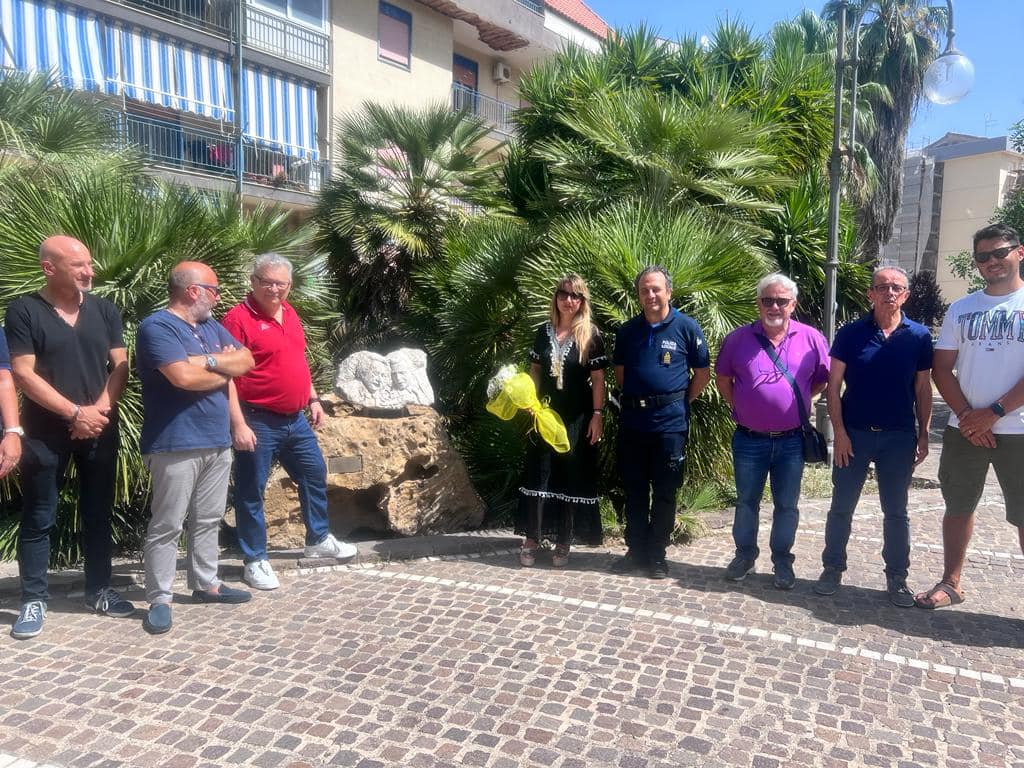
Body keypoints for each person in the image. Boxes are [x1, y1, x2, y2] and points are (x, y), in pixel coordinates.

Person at [6, 236, 132, 640]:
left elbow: (120, 364)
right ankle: (33, 599)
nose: (89, 272)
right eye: (79, 266)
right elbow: (23, 373)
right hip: (45, 433)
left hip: (99, 425)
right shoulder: (24, 310)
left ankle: (99, 590)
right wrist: (75, 413)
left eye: (89, 264)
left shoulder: (104, 310)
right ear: (50, 268)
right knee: (39, 515)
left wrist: (97, 411)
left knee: (98, 512)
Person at [222, 254, 357, 591]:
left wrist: (313, 398)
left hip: (295, 420)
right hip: (257, 419)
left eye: (280, 283)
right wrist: (238, 423)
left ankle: (318, 539)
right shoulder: (237, 319)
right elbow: (226, 376)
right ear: (253, 281)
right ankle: (255, 559)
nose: (274, 289)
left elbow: (298, 359)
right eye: (266, 282)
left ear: (289, 285)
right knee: (251, 490)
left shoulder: (291, 313)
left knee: (314, 473)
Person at [136, 262, 255, 634]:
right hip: (175, 442)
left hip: (217, 440)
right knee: (168, 524)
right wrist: (224, 368)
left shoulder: (210, 327)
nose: (218, 298)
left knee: (208, 518)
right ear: (193, 291)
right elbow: (183, 378)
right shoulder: (157, 327)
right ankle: (160, 598)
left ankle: (206, 584)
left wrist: (209, 362)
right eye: (214, 291)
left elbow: (246, 360)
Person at [915, 223, 1024, 610]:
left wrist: (993, 413)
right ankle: (952, 582)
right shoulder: (961, 309)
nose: (992, 261)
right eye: (983, 256)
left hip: (1018, 430)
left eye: (1000, 252)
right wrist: (966, 416)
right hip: (965, 430)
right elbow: (942, 368)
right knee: (958, 506)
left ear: (1020, 252)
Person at [813, 266, 932, 607]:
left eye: (896, 287)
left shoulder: (919, 336)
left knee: (896, 512)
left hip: (898, 438)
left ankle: (897, 577)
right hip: (855, 436)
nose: (889, 292)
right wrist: (839, 432)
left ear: (905, 295)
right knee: (841, 507)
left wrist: (923, 434)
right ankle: (832, 568)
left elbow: (923, 388)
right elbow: (833, 387)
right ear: (871, 294)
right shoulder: (850, 334)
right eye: (882, 287)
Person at [715, 274, 830, 590]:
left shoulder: (811, 338)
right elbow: (723, 379)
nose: (774, 306)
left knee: (787, 505)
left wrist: (797, 399)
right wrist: (741, 405)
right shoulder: (738, 339)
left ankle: (782, 562)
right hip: (749, 439)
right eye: (768, 300)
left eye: (781, 301)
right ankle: (744, 556)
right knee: (746, 502)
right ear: (759, 303)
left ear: (793, 304)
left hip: (792, 441)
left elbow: (822, 379)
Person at [611, 266, 710, 579]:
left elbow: (702, 374)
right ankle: (636, 550)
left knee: (666, 491)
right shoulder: (628, 331)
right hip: (633, 423)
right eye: (644, 290)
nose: (650, 295)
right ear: (638, 295)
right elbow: (621, 374)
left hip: (670, 426)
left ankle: (657, 554)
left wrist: (677, 402)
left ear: (669, 292)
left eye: (656, 289)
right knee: (635, 490)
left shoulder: (687, 327)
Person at [516, 275, 607, 568]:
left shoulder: (591, 335)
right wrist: (530, 402)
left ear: (582, 301)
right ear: (556, 297)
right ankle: (532, 537)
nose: (569, 300)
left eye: (575, 296)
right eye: (564, 294)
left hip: (576, 417)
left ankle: (563, 540)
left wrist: (597, 415)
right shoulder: (543, 333)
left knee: (570, 474)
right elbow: (535, 370)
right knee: (540, 471)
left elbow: (598, 379)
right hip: (544, 414)